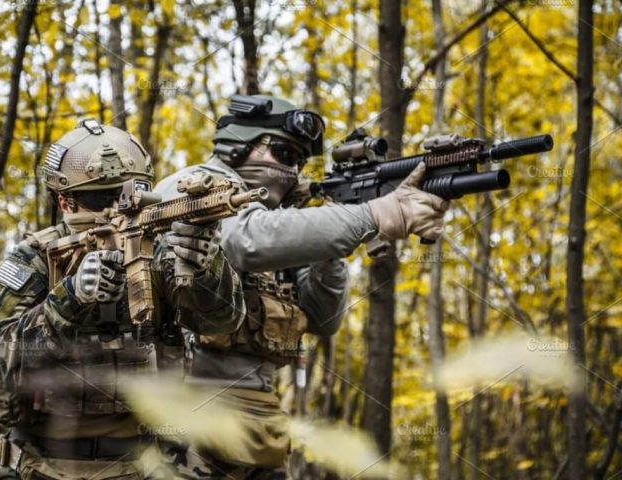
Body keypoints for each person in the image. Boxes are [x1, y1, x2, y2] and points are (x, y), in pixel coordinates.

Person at [153, 95, 450, 479]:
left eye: (298, 160)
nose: (291, 170)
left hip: (259, 434)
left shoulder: (278, 219)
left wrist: (331, 249)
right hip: (185, 428)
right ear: (240, 142)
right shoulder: (194, 186)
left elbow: (324, 318)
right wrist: (373, 213)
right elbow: (245, 239)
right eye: (281, 152)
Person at [0, 119, 246, 480]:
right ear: (65, 201)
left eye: (126, 194)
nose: (114, 210)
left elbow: (223, 323)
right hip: (45, 465)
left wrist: (205, 268)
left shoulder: (162, 250)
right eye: (98, 199)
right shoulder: (35, 258)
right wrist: (69, 299)